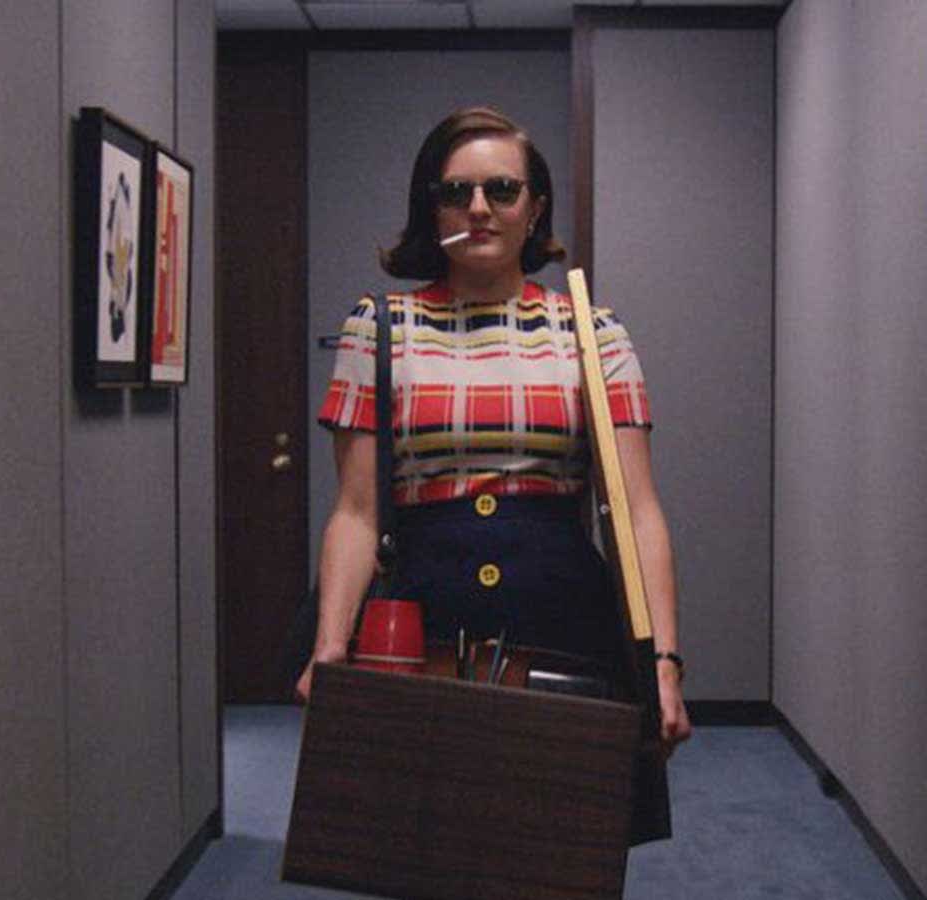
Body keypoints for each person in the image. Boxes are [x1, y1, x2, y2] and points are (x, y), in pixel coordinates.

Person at [296, 106, 691, 756]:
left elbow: (637, 513)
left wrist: (663, 662)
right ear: (433, 210)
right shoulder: (379, 328)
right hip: (419, 633)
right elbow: (357, 512)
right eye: (457, 192)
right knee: (418, 813)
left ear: (534, 210)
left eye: (502, 190)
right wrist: (330, 647)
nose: (479, 208)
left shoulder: (593, 333)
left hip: (564, 628)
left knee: (563, 813)